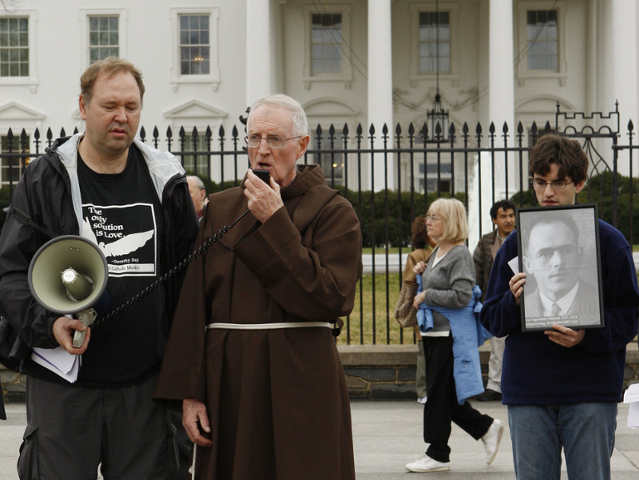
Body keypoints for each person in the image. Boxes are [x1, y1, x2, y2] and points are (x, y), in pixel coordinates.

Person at [0, 57, 199, 479]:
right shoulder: (44, 179)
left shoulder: (167, 181)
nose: (121, 117)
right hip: (63, 386)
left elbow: (190, 284)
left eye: (131, 106)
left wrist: (187, 375)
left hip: (147, 386)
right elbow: (12, 273)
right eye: (109, 105)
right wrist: (46, 323)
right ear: (83, 106)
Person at [154, 94, 362, 480]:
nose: (262, 150)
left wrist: (276, 221)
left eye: (275, 139)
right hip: (230, 380)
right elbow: (193, 304)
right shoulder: (220, 207)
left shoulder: (334, 211)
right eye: (253, 138)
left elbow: (330, 297)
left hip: (301, 377)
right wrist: (191, 392)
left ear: (301, 145)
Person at [480, 133, 639, 480]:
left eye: (558, 183)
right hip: (529, 392)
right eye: (540, 183)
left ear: (579, 182)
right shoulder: (514, 245)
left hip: (590, 391)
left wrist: (587, 336)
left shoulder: (609, 242)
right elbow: (491, 318)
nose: (548, 192)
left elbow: (630, 316)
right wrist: (513, 300)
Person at [405, 198, 503, 474]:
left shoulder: (459, 254)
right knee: (446, 395)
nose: (429, 221)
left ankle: (438, 453)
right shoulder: (437, 252)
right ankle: (485, 428)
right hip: (436, 333)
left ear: (450, 222)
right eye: (429, 216)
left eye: (435, 217)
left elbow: (461, 296)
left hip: (451, 335)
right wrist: (423, 274)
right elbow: (445, 287)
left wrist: (426, 294)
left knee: (438, 394)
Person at [521, 211, 600, 327]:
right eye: (545, 254)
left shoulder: (599, 302)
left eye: (566, 251)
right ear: (528, 264)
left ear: (579, 256)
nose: (558, 262)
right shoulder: (521, 306)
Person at [473, 200, 515, 402]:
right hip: (497, 299)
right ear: (494, 219)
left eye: (511, 215)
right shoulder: (486, 242)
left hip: (519, 298)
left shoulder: (523, 236)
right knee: (497, 344)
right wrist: (481, 300)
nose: (508, 220)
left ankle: (512, 383)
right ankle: (494, 384)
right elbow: (478, 270)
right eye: (503, 216)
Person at [395, 215, 436, 403]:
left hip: (441, 309)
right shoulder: (417, 255)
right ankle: (423, 391)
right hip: (424, 309)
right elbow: (409, 282)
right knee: (424, 350)